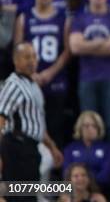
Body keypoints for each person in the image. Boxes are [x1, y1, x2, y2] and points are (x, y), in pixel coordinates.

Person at [0, 43, 63, 202]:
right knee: (18, 196)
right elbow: (1, 117)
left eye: (34, 57)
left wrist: (52, 147)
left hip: (31, 149)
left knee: (29, 195)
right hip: (16, 147)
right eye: (27, 57)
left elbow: (38, 124)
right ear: (16, 60)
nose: (32, 61)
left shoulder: (33, 85)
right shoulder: (13, 84)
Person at [13, 0, 70, 147]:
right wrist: (31, 74)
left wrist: (50, 73)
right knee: (29, 124)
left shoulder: (63, 18)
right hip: (30, 79)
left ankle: (55, 169)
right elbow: (18, 49)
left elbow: (67, 50)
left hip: (55, 78)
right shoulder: (24, 17)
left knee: (55, 124)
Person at [69, 0, 110, 146]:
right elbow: (75, 48)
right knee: (88, 122)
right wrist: (103, 43)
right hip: (87, 76)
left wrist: (87, 45)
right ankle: (89, 161)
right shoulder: (80, 18)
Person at [63, 111, 110, 198]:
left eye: (94, 126)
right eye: (86, 126)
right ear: (80, 128)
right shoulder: (70, 148)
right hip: (74, 191)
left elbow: (107, 173)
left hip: (100, 189)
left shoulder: (107, 148)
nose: (90, 129)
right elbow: (67, 171)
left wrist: (88, 183)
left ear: (99, 128)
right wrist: (80, 183)